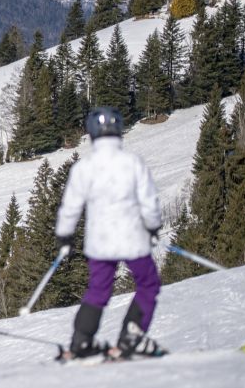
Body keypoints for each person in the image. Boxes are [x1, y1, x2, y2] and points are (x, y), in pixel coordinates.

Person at [56, 107, 166, 360]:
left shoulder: (85, 167)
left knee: (98, 289)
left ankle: (81, 342)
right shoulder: (132, 163)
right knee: (148, 283)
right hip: (132, 238)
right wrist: (152, 227)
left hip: (100, 242)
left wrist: (65, 235)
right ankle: (131, 338)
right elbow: (149, 201)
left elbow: (71, 206)